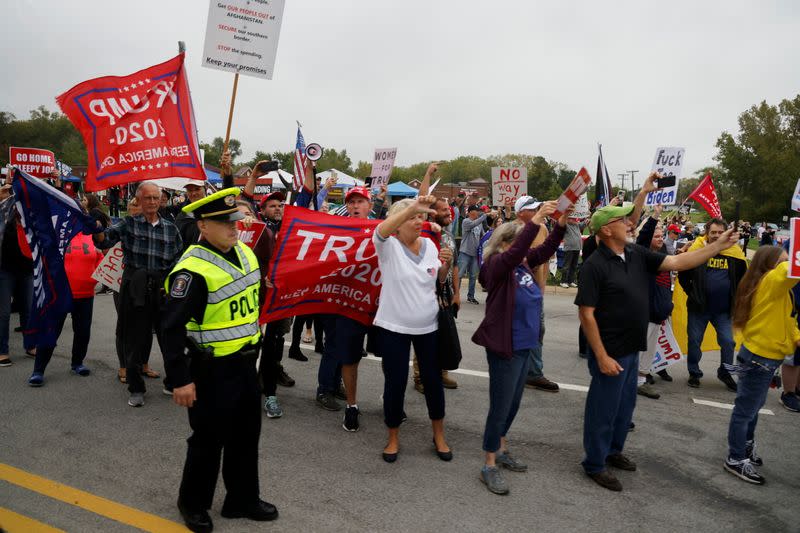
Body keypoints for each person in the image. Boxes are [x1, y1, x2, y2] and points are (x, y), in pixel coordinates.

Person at [575, 177, 739, 492]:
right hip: (609, 352)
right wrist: (601, 355)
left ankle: (613, 451)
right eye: (622, 220)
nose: (629, 222)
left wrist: (716, 245)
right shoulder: (595, 265)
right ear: (607, 230)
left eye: (627, 218)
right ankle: (594, 463)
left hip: (631, 349)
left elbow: (678, 260)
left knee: (624, 409)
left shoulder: (635, 253)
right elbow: (586, 314)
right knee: (603, 411)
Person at [160, 188, 277, 531]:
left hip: (244, 365)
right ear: (203, 226)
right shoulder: (192, 269)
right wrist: (180, 379)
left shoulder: (244, 251)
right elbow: (170, 329)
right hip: (211, 369)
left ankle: (241, 499)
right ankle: (192, 503)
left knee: (245, 436)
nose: (234, 228)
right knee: (208, 441)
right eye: (224, 223)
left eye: (236, 221)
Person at [472, 200, 569, 495]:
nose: (525, 249)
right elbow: (518, 252)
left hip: (525, 345)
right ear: (505, 243)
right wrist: (536, 220)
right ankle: (488, 464)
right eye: (518, 243)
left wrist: (560, 223)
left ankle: (501, 448)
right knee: (500, 405)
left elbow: (546, 249)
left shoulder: (523, 263)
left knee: (512, 404)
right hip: (505, 346)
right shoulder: (496, 266)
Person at [373, 195, 453, 463]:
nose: (420, 221)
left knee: (433, 382)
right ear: (398, 223)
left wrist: (446, 266)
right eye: (413, 218)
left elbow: (436, 280)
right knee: (395, 383)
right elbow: (379, 231)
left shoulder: (430, 245)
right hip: (394, 326)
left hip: (428, 326)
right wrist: (410, 207)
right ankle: (393, 437)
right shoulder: (388, 247)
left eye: (422, 217)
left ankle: (438, 435)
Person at [93, 181, 183, 407]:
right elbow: (106, 238)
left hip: (162, 286)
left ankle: (172, 381)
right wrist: (96, 230)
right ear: (139, 200)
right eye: (147, 198)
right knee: (135, 339)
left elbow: (179, 258)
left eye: (155, 198)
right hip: (136, 287)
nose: (152, 202)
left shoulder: (170, 228)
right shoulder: (128, 223)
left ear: (161, 200)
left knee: (168, 337)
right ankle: (136, 388)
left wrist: (172, 283)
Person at [724, 246, 798, 484]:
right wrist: (794, 253)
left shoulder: (763, 282)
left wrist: (796, 337)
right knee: (745, 410)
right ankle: (735, 458)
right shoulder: (771, 281)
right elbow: (787, 271)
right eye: (782, 260)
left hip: (761, 355)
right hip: (760, 358)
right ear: (770, 264)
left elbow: (786, 317)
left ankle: (744, 446)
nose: (787, 262)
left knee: (752, 408)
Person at [678, 218, 747, 391]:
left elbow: (743, 279)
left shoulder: (735, 253)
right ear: (707, 233)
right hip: (698, 309)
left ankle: (725, 373)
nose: (716, 236)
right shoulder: (697, 250)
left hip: (723, 311)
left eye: (719, 232)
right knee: (694, 342)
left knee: (728, 342)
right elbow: (683, 273)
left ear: (725, 233)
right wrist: (693, 293)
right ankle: (694, 373)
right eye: (713, 232)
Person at [28, 232, 104, 386]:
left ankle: (77, 363)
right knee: (51, 331)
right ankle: (38, 370)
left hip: (85, 294)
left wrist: (93, 279)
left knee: (83, 331)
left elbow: (100, 260)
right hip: (60, 294)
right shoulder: (57, 233)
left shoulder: (90, 236)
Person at [513, 196, 559, 392]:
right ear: (519, 213)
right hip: (517, 292)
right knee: (519, 332)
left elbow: (547, 257)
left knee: (538, 330)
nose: (536, 211)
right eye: (532, 209)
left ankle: (532, 373)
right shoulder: (512, 231)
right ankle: (523, 371)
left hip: (535, 291)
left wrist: (542, 286)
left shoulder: (542, 228)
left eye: (537, 207)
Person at [0, 187, 35, 367]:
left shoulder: (30, 217)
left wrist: (57, 182)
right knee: (4, 312)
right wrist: (3, 193)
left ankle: (30, 345)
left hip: (27, 271)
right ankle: (2, 351)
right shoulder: (3, 217)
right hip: (5, 271)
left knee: (28, 309)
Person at [458, 205, 486, 304]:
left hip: (475, 254)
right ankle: (455, 294)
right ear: (470, 212)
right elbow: (472, 224)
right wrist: (484, 216)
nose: (477, 213)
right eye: (476, 211)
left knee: (473, 276)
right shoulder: (466, 221)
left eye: (478, 211)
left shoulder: (479, 223)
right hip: (464, 252)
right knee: (459, 275)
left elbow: (483, 236)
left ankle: (471, 296)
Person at [560, 216, 584, 288]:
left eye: (574, 218)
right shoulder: (565, 225)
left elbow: (583, 224)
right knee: (566, 266)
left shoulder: (576, 224)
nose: (574, 219)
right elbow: (561, 222)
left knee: (574, 266)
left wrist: (587, 219)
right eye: (571, 218)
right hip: (569, 248)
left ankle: (570, 281)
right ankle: (563, 281)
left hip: (577, 248)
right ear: (567, 219)